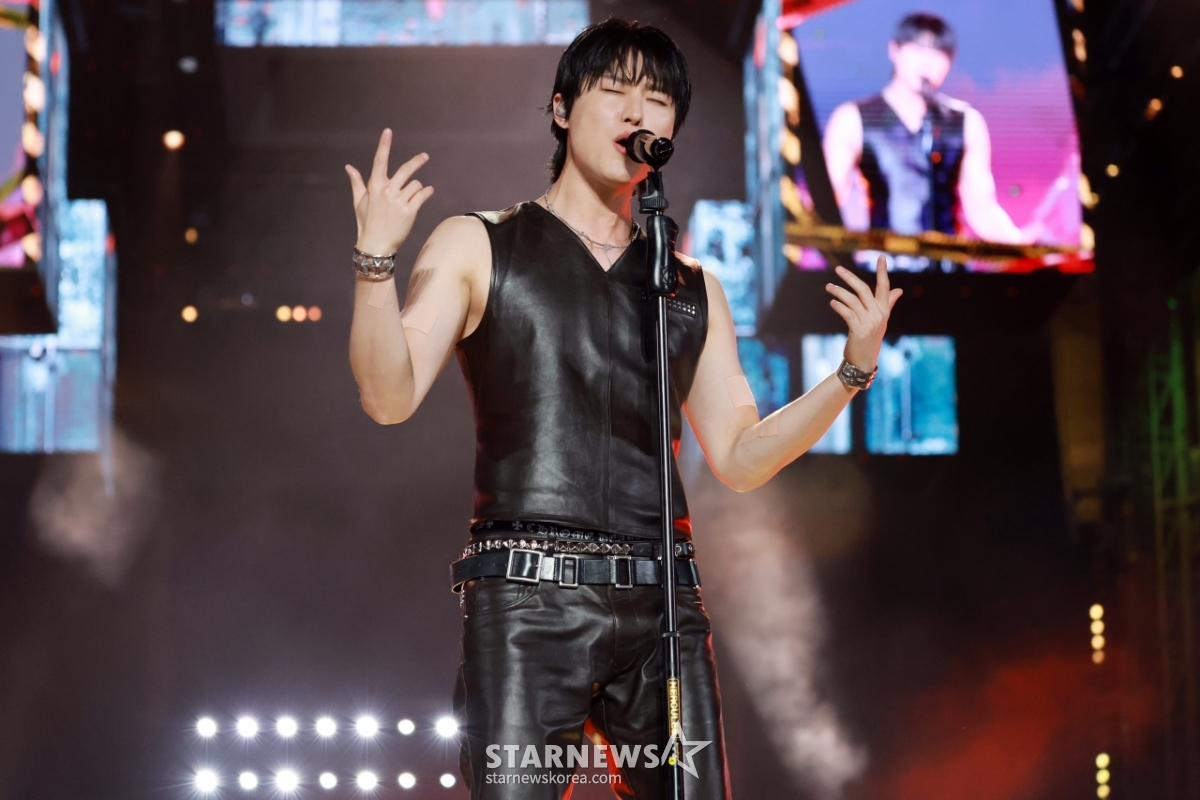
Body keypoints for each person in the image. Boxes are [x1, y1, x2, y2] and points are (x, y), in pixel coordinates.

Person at [344, 19, 899, 800]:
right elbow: (388, 396)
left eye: (659, 99)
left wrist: (850, 372)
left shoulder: (689, 286)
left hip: (663, 610)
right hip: (528, 606)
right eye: (615, 91)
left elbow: (739, 457)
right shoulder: (479, 244)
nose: (638, 112)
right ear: (562, 108)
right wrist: (375, 265)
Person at [822, 12, 1031, 249]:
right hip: (883, 263)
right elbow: (826, 199)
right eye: (917, 49)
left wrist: (1020, 244)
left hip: (951, 263)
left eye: (938, 52)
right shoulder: (852, 118)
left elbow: (982, 209)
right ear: (894, 50)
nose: (926, 61)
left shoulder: (966, 121)